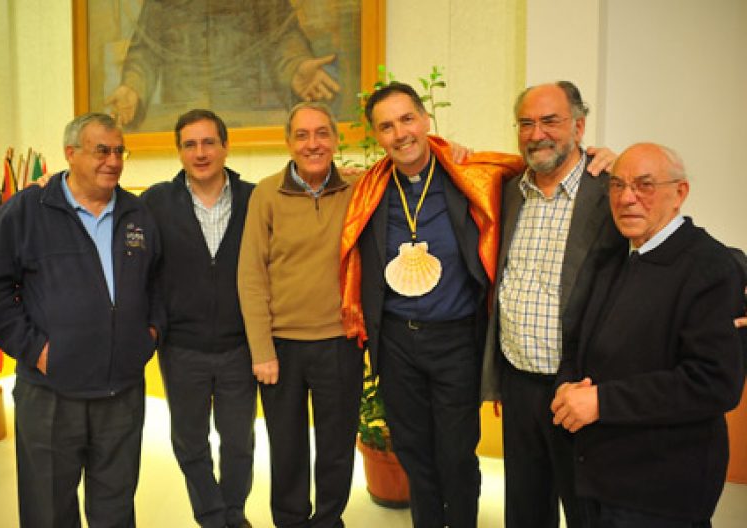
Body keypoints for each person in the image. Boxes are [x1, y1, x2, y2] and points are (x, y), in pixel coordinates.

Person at [339, 81, 528, 528]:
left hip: (456, 340)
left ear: (426, 121)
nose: (400, 133)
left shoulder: (472, 176)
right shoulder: (369, 190)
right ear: (376, 136)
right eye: (386, 127)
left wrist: (605, 158)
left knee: (456, 454)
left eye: (407, 119)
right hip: (397, 342)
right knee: (413, 452)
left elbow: (540, 165)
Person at [0, 113, 163, 527]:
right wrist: (36, 350)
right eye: (101, 150)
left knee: (115, 511)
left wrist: (149, 334)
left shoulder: (138, 212)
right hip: (49, 395)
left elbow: (158, 283)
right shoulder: (27, 210)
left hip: (122, 394)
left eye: (119, 151)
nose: (113, 161)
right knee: (48, 510)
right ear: (70, 154)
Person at [551, 142, 745, 527]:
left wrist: (601, 402)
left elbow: (714, 383)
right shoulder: (613, 256)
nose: (627, 198)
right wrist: (566, 386)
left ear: (680, 193)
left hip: (659, 491)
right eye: (618, 185)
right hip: (594, 476)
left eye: (644, 185)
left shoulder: (711, 268)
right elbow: (577, 340)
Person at [479, 81, 624, 528]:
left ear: (579, 127)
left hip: (580, 384)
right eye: (526, 123)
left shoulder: (612, 191)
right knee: (524, 507)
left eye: (550, 121)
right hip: (520, 383)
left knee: (587, 509)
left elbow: (670, 233)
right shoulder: (507, 192)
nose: (536, 133)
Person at [237, 102, 363, 528]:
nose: (314, 144)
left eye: (322, 133)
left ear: (335, 139)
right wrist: (261, 350)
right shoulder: (266, 194)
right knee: (287, 447)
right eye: (304, 135)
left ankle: (329, 520)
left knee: (337, 446)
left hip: (340, 343)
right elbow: (251, 276)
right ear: (289, 142)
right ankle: (290, 521)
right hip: (282, 349)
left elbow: (413, 157)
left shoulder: (358, 190)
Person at [141, 109, 256, 528]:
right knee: (190, 442)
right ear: (179, 152)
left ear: (225, 146)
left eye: (209, 142)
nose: (200, 152)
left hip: (241, 348)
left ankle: (235, 512)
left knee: (239, 443)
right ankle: (213, 517)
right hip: (181, 349)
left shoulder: (254, 199)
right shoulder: (154, 201)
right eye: (190, 144)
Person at [107, 0, 339, 130]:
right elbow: (146, 49)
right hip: (181, 115)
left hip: (243, 111)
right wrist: (133, 88)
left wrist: (294, 65)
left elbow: (282, 36)